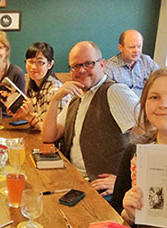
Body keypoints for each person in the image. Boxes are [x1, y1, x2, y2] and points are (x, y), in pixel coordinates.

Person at [42, 41, 138, 200]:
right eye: (75, 66)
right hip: (73, 177)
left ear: (102, 64)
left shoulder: (114, 91)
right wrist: (55, 100)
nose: (82, 70)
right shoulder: (76, 97)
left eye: (88, 64)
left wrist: (125, 181)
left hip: (102, 188)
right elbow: (48, 137)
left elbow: (148, 137)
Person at [113, 65, 167, 226]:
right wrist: (128, 212)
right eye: (154, 97)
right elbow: (117, 207)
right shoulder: (135, 150)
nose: (163, 105)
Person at [11, 42, 68, 131]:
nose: (33, 67)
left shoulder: (55, 90)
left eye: (40, 62)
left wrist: (29, 117)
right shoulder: (34, 87)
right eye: (31, 61)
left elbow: (53, 131)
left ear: (50, 64)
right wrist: (23, 113)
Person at [104, 29, 158, 97]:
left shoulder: (146, 61)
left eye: (139, 47)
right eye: (132, 47)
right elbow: (106, 95)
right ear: (121, 48)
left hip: (146, 103)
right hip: (123, 104)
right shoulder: (110, 68)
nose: (136, 50)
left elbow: (161, 79)